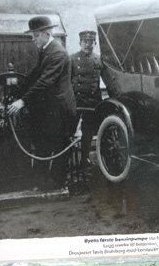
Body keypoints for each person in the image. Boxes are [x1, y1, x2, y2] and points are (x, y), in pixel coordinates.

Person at [7, 16, 76, 191]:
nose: (33, 39)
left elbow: (45, 81)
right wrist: (17, 91)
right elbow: (34, 75)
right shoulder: (46, 50)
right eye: (32, 35)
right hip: (49, 108)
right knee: (43, 145)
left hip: (59, 109)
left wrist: (22, 101)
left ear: (47, 33)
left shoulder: (57, 53)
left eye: (36, 35)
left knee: (58, 145)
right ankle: (43, 182)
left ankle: (57, 184)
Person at [70, 30, 108, 166]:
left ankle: (84, 158)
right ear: (80, 43)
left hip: (92, 101)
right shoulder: (72, 59)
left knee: (88, 132)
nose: (88, 45)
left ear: (95, 43)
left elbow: (107, 79)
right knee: (69, 129)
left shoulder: (99, 59)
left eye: (91, 42)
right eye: (85, 42)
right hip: (76, 100)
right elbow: (67, 81)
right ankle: (67, 160)